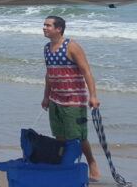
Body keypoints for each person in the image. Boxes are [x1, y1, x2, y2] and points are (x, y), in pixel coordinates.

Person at [42, 15, 102, 182]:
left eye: (48, 25)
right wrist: (46, 96)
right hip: (55, 99)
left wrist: (93, 96)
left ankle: (92, 163)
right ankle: (65, 165)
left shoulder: (72, 46)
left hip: (74, 100)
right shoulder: (47, 48)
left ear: (58, 29)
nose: (44, 28)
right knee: (59, 135)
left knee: (78, 136)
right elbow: (49, 74)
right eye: (44, 25)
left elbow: (86, 72)